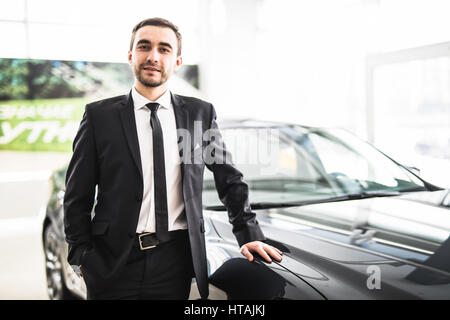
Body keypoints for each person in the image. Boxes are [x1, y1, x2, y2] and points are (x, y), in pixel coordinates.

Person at [63, 17, 282, 300]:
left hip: (174, 263)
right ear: (131, 56)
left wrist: (249, 234)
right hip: (111, 263)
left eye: (164, 49)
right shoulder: (99, 116)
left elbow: (229, 178)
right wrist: (81, 253)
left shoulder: (198, 114)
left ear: (177, 61)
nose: (153, 56)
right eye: (144, 47)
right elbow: (76, 193)